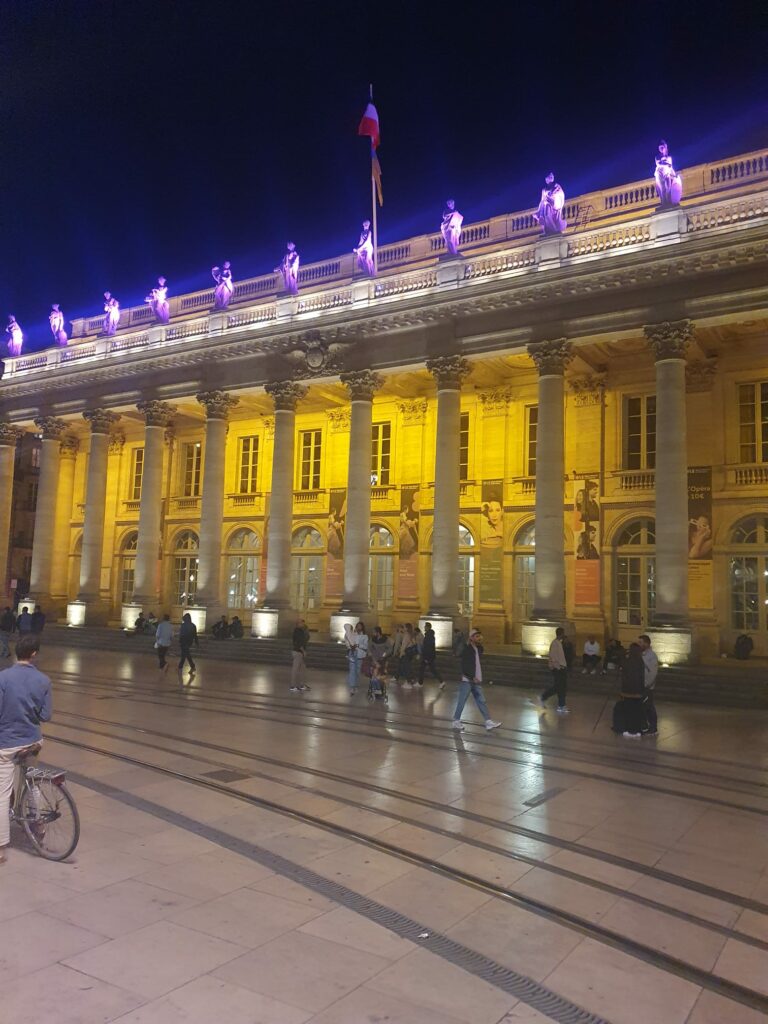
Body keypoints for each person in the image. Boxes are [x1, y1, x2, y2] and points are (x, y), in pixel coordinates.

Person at [0, 635, 52, 863]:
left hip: (7, 743)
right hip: (32, 741)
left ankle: (1, 845)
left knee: (2, 793)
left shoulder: (3, 678)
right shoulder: (43, 680)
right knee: (33, 782)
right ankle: (37, 824)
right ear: (34, 654)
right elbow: (46, 715)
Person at [452, 628, 501, 731]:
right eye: (477, 636)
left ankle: (488, 722)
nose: (479, 638)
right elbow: (465, 665)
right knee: (462, 700)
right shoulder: (467, 649)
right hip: (468, 680)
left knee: (481, 701)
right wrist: (471, 677)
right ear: (471, 638)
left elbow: (480, 652)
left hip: (476, 680)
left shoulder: (478, 649)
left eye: (479, 636)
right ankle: (456, 721)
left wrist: (476, 677)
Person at [612, 642, 647, 737]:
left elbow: (620, 662)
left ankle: (628, 729)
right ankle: (637, 730)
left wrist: (623, 654)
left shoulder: (627, 661)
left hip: (627, 691)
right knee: (637, 711)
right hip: (638, 691)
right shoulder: (640, 662)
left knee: (628, 711)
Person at [538, 626, 570, 713]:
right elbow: (553, 657)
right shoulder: (555, 643)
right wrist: (558, 667)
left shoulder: (559, 643)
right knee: (558, 687)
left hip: (562, 668)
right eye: (563, 633)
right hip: (558, 669)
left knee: (561, 687)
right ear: (561, 634)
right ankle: (544, 697)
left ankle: (561, 705)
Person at [638, 633, 659, 736]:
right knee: (642, 707)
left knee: (649, 706)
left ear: (646, 643)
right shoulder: (640, 654)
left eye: (641, 642)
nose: (639, 644)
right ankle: (644, 726)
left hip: (647, 687)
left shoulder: (652, 656)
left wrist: (646, 684)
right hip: (640, 685)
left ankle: (653, 727)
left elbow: (653, 673)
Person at [654, 140, 682, 207]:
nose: (661, 149)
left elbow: (671, 167)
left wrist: (675, 175)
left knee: (668, 187)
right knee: (663, 188)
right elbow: (659, 163)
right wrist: (666, 164)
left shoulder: (669, 157)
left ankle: (669, 201)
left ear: (665, 148)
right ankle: (664, 203)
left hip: (667, 173)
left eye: (662, 147)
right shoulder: (657, 157)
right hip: (660, 173)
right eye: (660, 147)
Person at [418, 621, 444, 688]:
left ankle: (441, 681)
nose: (424, 627)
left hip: (428, 656)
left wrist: (426, 658)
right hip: (429, 656)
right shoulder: (430, 635)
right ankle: (441, 681)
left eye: (425, 626)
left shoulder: (429, 636)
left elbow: (428, 647)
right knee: (426, 669)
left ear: (428, 627)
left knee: (429, 669)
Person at [290, 617, 310, 692]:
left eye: (303, 622)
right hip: (298, 652)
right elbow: (299, 642)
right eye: (302, 622)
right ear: (298, 623)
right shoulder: (297, 631)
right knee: (295, 669)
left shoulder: (302, 630)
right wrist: (303, 651)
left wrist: (306, 629)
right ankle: (292, 686)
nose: (303, 623)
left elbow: (306, 638)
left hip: (300, 652)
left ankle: (302, 685)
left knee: (302, 669)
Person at [177, 612, 199, 677]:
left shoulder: (183, 625)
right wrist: (196, 642)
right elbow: (195, 635)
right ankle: (191, 667)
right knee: (186, 654)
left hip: (183, 641)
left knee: (184, 655)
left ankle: (180, 667)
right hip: (189, 642)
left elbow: (181, 634)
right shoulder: (193, 625)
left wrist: (179, 640)